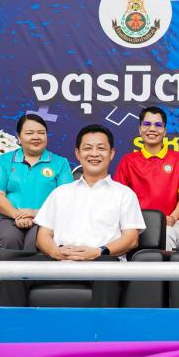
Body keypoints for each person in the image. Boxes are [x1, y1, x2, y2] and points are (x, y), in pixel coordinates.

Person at [27, 125, 148, 307]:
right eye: (88, 148)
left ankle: (101, 326)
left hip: (102, 262)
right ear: (77, 153)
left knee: (107, 271)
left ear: (112, 153)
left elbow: (131, 239)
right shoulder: (60, 193)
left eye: (101, 148)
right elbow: (43, 235)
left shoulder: (124, 194)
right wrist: (55, 252)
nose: (94, 154)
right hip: (59, 260)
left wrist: (99, 252)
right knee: (11, 272)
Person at [0, 112, 74, 250]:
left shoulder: (60, 163)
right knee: (9, 239)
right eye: (29, 133)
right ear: (19, 137)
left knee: (36, 241)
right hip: (10, 217)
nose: (36, 137)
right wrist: (17, 215)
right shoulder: (4, 160)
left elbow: (67, 198)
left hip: (46, 220)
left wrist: (36, 213)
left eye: (41, 133)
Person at [113, 105, 179, 250]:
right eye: (147, 124)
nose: (152, 129)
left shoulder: (177, 159)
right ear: (140, 129)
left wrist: (172, 218)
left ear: (165, 131)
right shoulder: (128, 161)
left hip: (171, 224)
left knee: (164, 235)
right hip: (135, 224)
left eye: (158, 125)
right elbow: (119, 198)